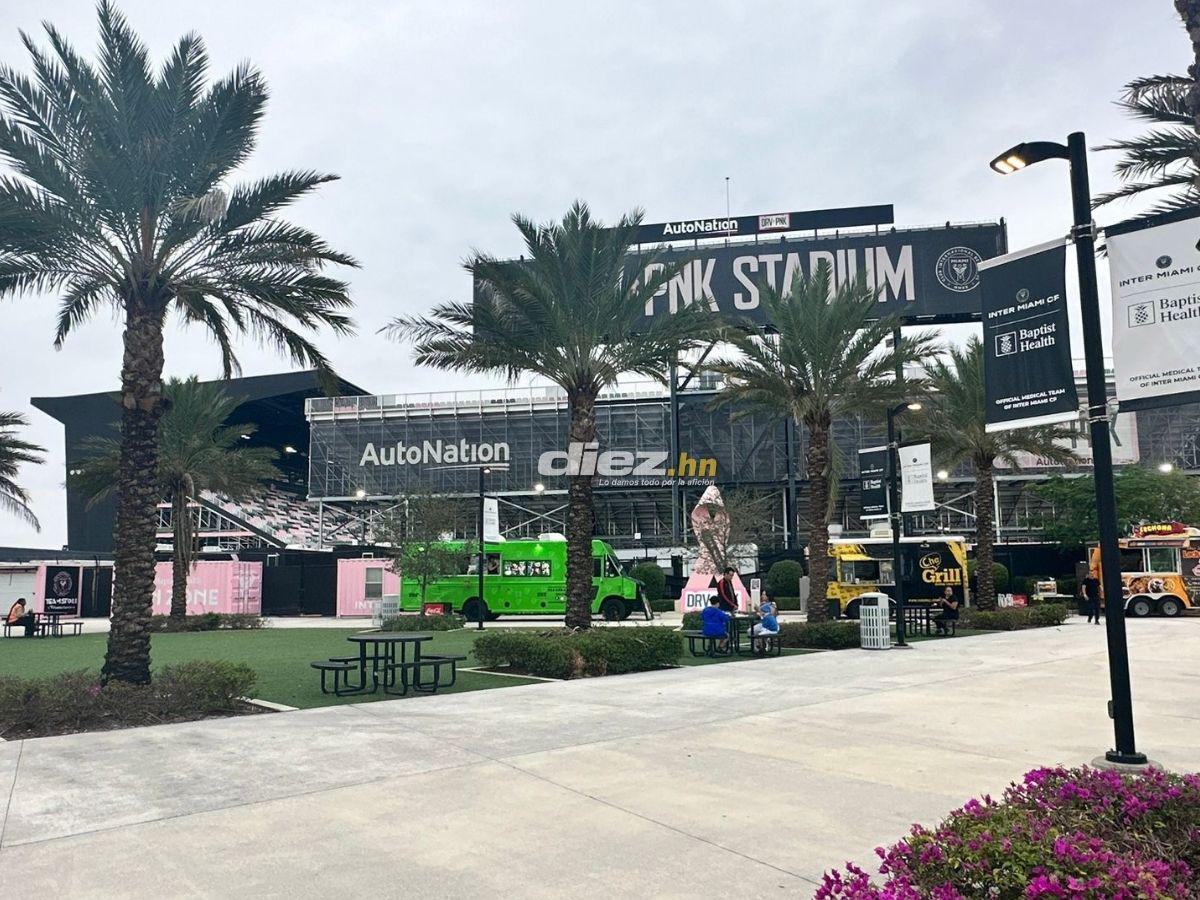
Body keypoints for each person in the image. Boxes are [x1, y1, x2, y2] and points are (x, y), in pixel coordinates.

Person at [751, 588, 780, 653]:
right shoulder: (762, 604)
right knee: (751, 631)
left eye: (764, 594)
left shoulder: (772, 604)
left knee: (756, 633)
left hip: (769, 625)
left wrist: (759, 610)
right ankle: (758, 647)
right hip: (764, 624)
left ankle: (763, 646)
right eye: (762, 594)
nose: (762, 596)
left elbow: (772, 614)